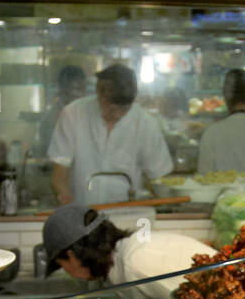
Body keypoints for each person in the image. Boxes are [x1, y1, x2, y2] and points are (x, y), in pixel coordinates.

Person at [41, 205, 213, 299]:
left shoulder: (138, 260)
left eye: (62, 265)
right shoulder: (118, 267)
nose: (67, 272)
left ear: (72, 256)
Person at [48, 63, 173, 205]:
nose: (118, 114)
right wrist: (64, 196)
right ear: (98, 93)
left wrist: (159, 200)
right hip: (82, 213)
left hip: (129, 215)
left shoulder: (146, 124)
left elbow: (159, 177)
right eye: (111, 108)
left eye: (124, 109)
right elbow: (59, 172)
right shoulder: (73, 115)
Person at [37, 63, 88, 155]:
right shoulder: (51, 120)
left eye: (84, 88)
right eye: (77, 88)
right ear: (63, 89)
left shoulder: (82, 112)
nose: (83, 94)